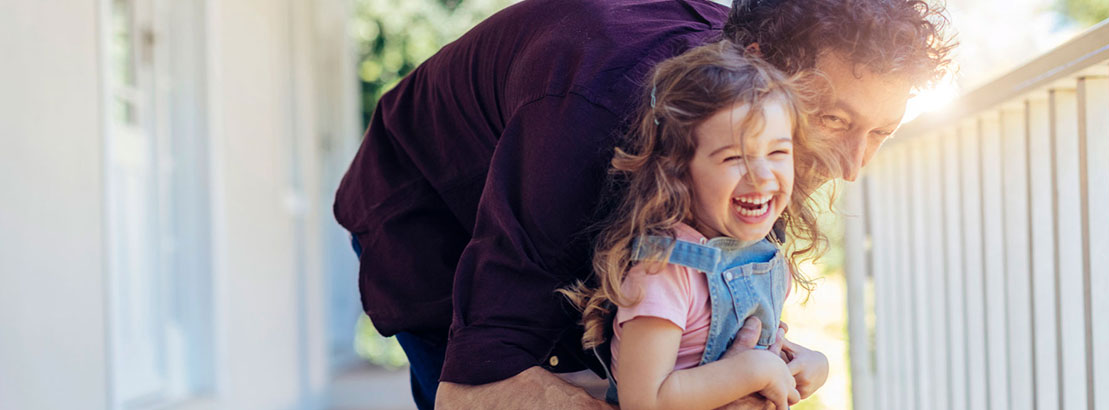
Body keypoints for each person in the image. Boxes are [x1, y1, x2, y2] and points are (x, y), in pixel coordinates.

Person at [332, 0, 953, 408]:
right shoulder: (591, 116)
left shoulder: (751, 136)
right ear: (757, 69)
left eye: (879, 133)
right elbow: (473, 392)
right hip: (430, 207)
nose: (849, 164)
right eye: (832, 119)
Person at [558, 40, 836, 410]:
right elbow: (644, 400)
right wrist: (753, 371)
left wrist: (808, 364)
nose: (763, 175)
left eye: (778, 152)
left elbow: (760, 347)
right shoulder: (667, 272)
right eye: (735, 156)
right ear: (679, 172)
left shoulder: (762, 256)